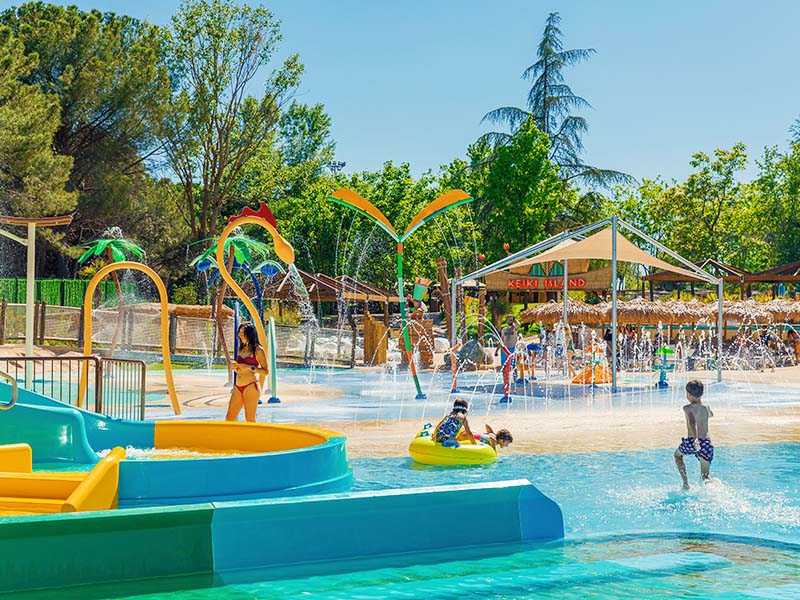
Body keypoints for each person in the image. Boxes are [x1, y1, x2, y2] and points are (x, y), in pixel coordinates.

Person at [674, 380, 714, 489]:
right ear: (702, 393)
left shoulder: (687, 408)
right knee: (705, 476)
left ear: (688, 394)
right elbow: (711, 415)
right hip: (706, 443)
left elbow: (692, 422)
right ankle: (712, 489)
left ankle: (686, 483)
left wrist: (695, 439)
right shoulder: (706, 407)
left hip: (693, 442)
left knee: (677, 455)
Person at [226, 323, 268, 422]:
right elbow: (242, 369)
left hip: (251, 386)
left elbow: (265, 371)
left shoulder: (258, 350)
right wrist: (237, 367)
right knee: (229, 417)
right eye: (239, 333)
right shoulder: (241, 348)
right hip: (238, 387)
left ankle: (254, 437)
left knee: (250, 419)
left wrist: (250, 367)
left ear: (250, 334)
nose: (240, 335)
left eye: (242, 333)